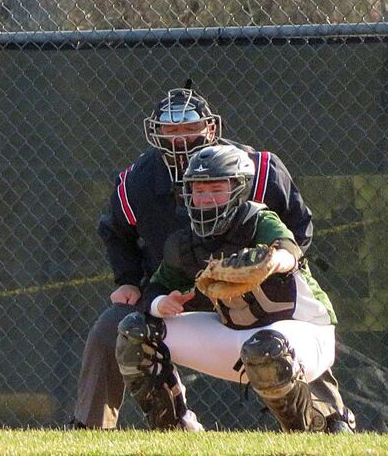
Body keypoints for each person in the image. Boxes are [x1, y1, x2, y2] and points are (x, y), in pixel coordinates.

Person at [70, 85, 349, 430]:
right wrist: (131, 282)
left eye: (217, 188)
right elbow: (117, 234)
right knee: (121, 327)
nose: (181, 139)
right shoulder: (140, 186)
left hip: (259, 294)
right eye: (196, 190)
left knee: (278, 337)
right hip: (183, 291)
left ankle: (326, 421)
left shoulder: (260, 172)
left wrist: (271, 267)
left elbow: (296, 233)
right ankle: (127, 427)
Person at [115, 144, 355, 432]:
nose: (206, 198)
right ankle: (175, 430)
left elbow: (289, 249)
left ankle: (307, 432)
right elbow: (156, 286)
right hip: (239, 337)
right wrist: (160, 303)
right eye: (198, 190)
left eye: (217, 189)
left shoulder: (258, 220)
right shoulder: (186, 241)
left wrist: (272, 261)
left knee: (266, 348)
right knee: (136, 331)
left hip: (306, 332)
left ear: (239, 190)